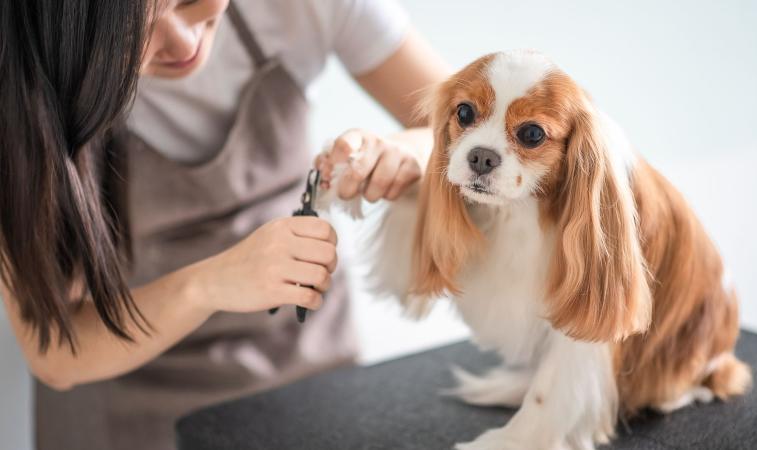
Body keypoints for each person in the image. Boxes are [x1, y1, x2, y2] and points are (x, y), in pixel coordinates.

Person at [0, 0, 448, 449]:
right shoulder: (16, 86)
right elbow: (55, 350)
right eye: (134, 33)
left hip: (311, 384)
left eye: (192, 2)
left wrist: (408, 150)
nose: (184, 42)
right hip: (123, 411)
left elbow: (467, 125)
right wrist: (210, 284)